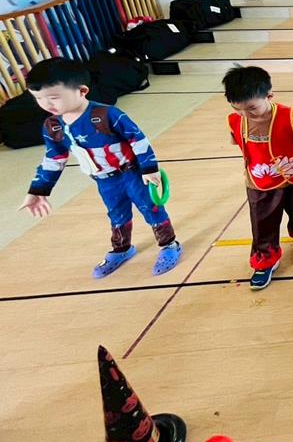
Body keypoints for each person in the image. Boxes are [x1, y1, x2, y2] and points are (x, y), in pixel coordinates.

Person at [20, 57, 182, 278]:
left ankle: (169, 244)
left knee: (150, 207)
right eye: (38, 98)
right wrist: (37, 190)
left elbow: (138, 140)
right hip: (105, 181)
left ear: (82, 91)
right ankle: (122, 249)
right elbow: (53, 159)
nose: (46, 104)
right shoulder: (52, 126)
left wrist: (149, 169)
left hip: (132, 174)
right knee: (116, 214)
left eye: (54, 97)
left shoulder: (107, 115)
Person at [223, 66, 293, 290]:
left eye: (252, 108)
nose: (245, 115)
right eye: (238, 109)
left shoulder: (289, 117)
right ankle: (265, 260)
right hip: (259, 182)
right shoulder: (235, 121)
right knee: (262, 224)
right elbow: (238, 141)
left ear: (269, 96)